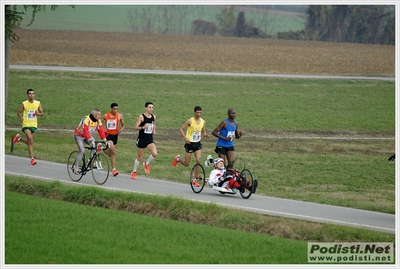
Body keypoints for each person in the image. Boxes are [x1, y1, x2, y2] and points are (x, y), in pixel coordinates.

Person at [172, 106, 210, 187]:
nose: (199, 114)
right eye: (197, 112)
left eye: (200, 113)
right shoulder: (190, 121)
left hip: (197, 143)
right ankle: (178, 159)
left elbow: (203, 131)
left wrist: (205, 135)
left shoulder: (203, 122)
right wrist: (185, 138)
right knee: (187, 163)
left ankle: (195, 179)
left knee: (198, 160)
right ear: (194, 112)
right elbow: (181, 129)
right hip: (189, 143)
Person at [74, 108, 116, 175]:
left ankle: (90, 162)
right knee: (82, 150)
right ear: (94, 115)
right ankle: (76, 167)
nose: (100, 116)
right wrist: (90, 140)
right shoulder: (86, 119)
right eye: (99, 115)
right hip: (79, 136)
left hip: (88, 136)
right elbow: (85, 131)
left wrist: (105, 140)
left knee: (95, 146)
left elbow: (101, 130)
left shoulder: (98, 121)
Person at [13, 88, 44, 165]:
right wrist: (20, 117)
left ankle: (18, 138)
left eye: (33, 93)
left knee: (30, 142)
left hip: (34, 125)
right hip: (26, 124)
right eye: (30, 94)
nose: (31, 95)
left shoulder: (37, 103)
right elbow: (18, 112)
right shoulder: (24, 103)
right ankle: (32, 159)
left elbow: (42, 113)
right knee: (30, 139)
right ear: (27, 95)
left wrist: (38, 114)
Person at [130, 102, 157, 179]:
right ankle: (134, 171)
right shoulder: (141, 117)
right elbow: (135, 127)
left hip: (149, 139)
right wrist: (143, 127)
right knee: (140, 157)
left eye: (152, 107)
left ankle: (146, 163)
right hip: (142, 139)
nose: (151, 109)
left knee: (154, 153)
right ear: (145, 108)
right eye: (149, 107)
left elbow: (153, 124)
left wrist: (154, 130)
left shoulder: (153, 117)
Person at [101, 102, 125, 176]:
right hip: (108, 135)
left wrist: (120, 130)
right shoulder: (105, 115)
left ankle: (101, 148)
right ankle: (114, 170)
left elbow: (123, 125)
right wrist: (103, 129)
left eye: (117, 109)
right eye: (114, 109)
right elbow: (99, 124)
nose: (115, 111)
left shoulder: (119, 116)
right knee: (114, 151)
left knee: (111, 154)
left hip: (115, 136)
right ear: (111, 109)